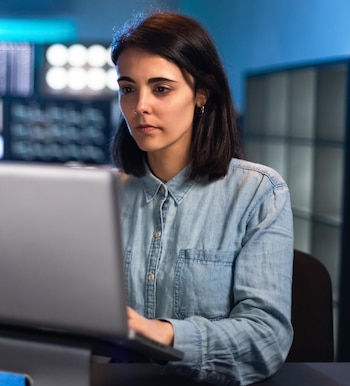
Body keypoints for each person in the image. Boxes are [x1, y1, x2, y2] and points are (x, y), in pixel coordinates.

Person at [111, 11, 294, 385]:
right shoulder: (102, 199)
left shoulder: (258, 193)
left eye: (161, 88)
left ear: (201, 94)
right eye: (128, 88)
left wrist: (163, 333)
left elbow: (267, 339)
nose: (140, 105)